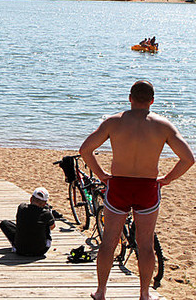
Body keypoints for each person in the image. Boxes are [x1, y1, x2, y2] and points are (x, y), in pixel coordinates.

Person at [79, 80, 194, 300]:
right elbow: (188, 159)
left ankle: (101, 292)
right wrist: (167, 179)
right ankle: (144, 294)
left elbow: (85, 150)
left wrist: (102, 174)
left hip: (119, 186)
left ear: (130, 98)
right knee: (146, 244)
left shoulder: (113, 122)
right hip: (147, 187)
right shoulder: (163, 125)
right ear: (152, 100)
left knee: (109, 241)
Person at [0, 187, 56, 256]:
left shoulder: (21, 208)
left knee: (5, 223)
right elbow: (52, 227)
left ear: (31, 199)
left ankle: (18, 244)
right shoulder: (46, 214)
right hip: (40, 251)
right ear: (44, 204)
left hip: (20, 250)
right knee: (47, 224)